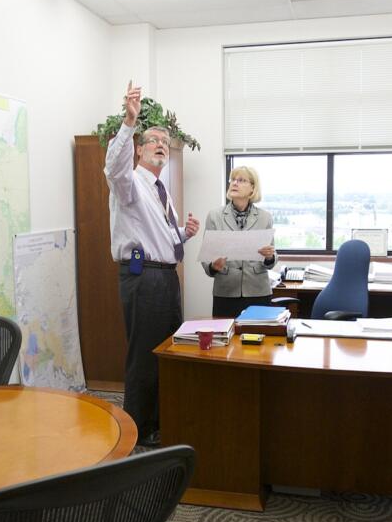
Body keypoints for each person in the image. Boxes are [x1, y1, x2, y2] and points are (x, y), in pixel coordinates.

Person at [105, 81, 199, 445]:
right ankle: (137, 430)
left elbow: (162, 238)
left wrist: (184, 233)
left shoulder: (161, 189)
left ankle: (159, 423)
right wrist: (129, 122)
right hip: (142, 279)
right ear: (139, 150)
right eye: (153, 141)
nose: (161, 145)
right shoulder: (129, 183)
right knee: (144, 356)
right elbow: (113, 169)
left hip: (165, 277)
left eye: (164, 142)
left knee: (167, 352)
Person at [201, 166, 276, 318]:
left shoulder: (265, 217)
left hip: (258, 291)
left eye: (241, 180)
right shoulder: (214, 216)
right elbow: (206, 255)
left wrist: (269, 256)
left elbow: (272, 255)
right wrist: (213, 265)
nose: (235, 183)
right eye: (233, 180)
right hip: (226, 292)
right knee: (225, 340)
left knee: (258, 339)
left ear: (252, 188)